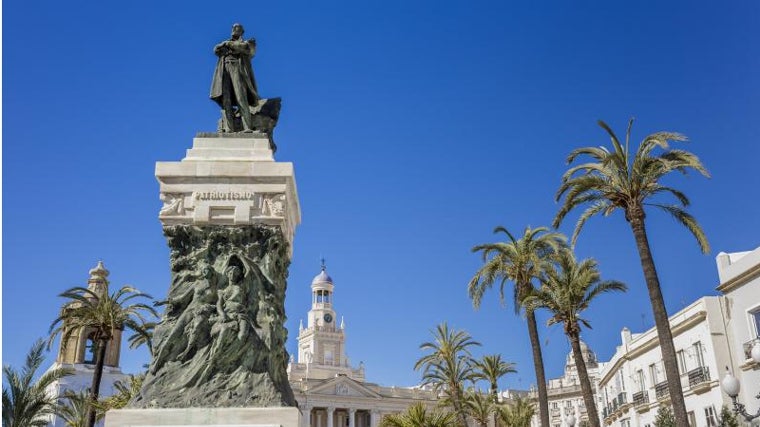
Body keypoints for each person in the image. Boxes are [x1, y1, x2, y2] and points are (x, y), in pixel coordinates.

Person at [210, 23, 259, 132]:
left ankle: (247, 127)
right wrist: (224, 44)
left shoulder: (247, 42)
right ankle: (228, 128)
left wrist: (228, 44)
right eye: (233, 27)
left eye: (237, 28)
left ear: (241, 31)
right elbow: (215, 50)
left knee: (241, 97)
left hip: (238, 69)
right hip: (224, 69)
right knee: (226, 99)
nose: (233, 29)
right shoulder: (227, 42)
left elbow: (246, 49)